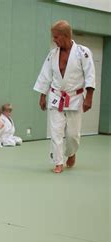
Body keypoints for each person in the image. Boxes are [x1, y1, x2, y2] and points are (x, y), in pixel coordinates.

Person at [33, 20, 95, 173]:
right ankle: (58, 162)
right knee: (56, 131)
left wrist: (89, 97)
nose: (54, 40)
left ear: (66, 36)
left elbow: (90, 74)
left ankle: (71, 152)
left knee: (72, 135)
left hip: (75, 97)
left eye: (56, 37)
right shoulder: (53, 54)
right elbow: (45, 75)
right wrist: (43, 96)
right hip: (56, 96)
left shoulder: (83, 52)